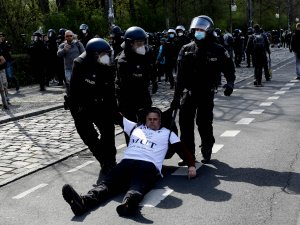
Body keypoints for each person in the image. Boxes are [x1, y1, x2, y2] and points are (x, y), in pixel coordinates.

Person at [62, 107, 197, 217]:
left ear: (160, 121)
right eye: (149, 119)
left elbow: (183, 149)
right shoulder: (135, 128)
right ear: (145, 120)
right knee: (106, 184)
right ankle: (83, 202)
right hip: (126, 163)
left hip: (148, 165)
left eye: (155, 119)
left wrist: (191, 165)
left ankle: (128, 204)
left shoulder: (167, 133)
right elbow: (117, 116)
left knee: (137, 186)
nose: (152, 121)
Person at [171, 15, 236, 165]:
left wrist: (230, 83)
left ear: (208, 31)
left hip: (206, 92)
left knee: (204, 122)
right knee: (185, 124)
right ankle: (189, 155)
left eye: (202, 30)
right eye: (196, 30)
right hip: (188, 92)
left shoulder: (217, 49)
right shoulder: (186, 49)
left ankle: (207, 147)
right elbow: (179, 76)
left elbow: (228, 67)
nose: (198, 32)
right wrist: (175, 98)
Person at [67, 38, 117, 173]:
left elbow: (110, 90)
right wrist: (77, 113)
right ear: (94, 54)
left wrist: (114, 112)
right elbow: (73, 91)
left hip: (101, 103)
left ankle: (111, 161)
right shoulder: (80, 64)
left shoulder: (108, 65)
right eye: (104, 54)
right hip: (83, 105)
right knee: (89, 136)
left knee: (108, 131)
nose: (107, 57)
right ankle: (103, 160)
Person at [115, 26, 157, 144]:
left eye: (143, 42)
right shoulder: (123, 61)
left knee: (148, 123)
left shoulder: (146, 54)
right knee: (131, 128)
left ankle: (147, 150)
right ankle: (133, 153)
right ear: (130, 43)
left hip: (142, 91)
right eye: (138, 43)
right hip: (127, 96)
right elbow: (127, 85)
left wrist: (154, 81)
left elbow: (151, 68)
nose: (141, 45)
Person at [57, 30, 85, 95]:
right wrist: (64, 50)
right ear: (65, 37)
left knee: (78, 83)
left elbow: (84, 53)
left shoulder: (78, 44)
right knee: (69, 83)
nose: (69, 37)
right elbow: (58, 54)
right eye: (67, 36)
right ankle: (70, 97)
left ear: (73, 36)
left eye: (70, 36)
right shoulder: (62, 45)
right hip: (68, 68)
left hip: (78, 68)